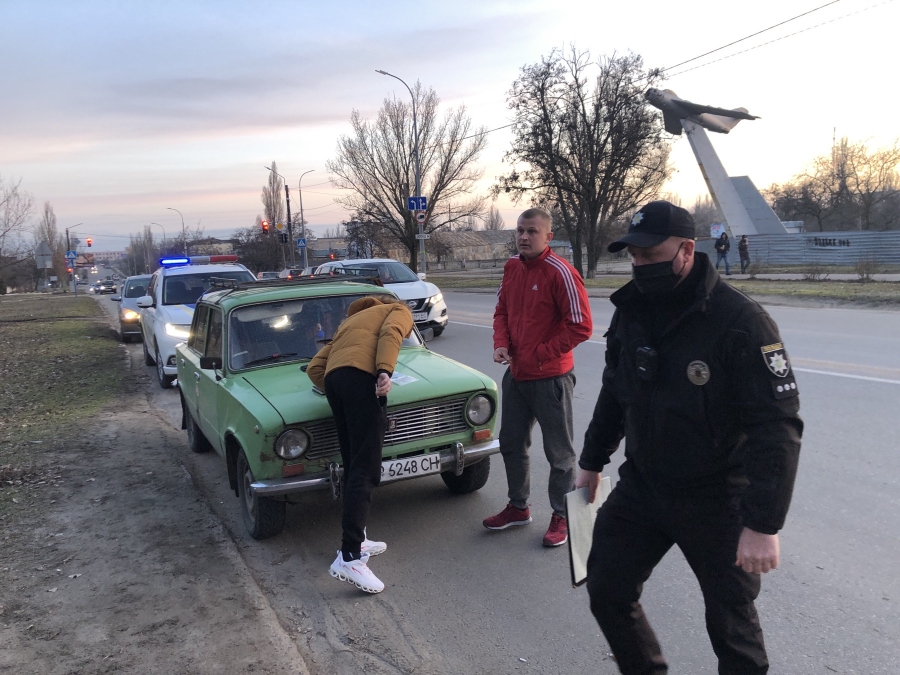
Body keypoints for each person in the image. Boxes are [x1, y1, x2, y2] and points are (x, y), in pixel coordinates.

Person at [576, 200, 803, 674]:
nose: (641, 265)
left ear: (686, 249)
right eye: (634, 256)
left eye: (651, 255)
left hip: (717, 497)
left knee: (732, 628)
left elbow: (776, 426)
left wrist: (763, 524)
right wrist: (592, 460)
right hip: (644, 486)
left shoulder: (739, 320)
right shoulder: (632, 309)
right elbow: (616, 390)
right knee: (607, 589)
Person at [484, 207, 593, 547]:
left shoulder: (561, 272)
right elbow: (502, 311)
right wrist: (501, 343)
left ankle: (563, 515)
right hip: (517, 375)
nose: (524, 236)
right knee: (511, 444)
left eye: (532, 231)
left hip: (551, 379)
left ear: (548, 236)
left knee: (560, 454)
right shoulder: (512, 267)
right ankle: (518, 507)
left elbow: (581, 326)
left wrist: (540, 354)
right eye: (520, 230)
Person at [307, 296, 414, 594]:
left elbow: (315, 368)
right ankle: (350, 556)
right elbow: (392, 332)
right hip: (363, 381)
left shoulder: (349, 323)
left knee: (353, 463)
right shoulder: (396, 309)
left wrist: (340, 388)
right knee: (366, 469)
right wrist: (384, 371)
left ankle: (360, 538)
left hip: (335, 383)